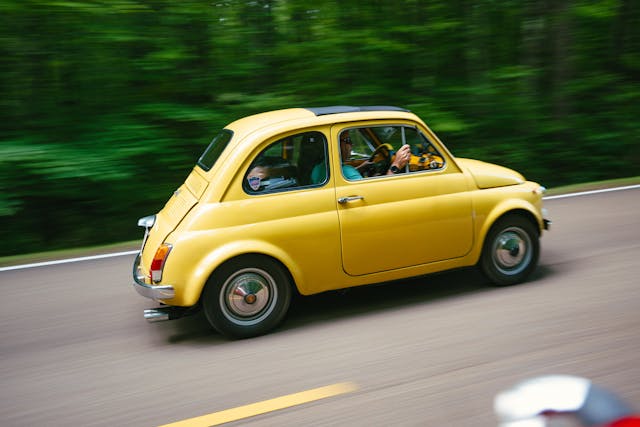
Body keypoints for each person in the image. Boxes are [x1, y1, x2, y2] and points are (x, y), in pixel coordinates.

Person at [339, 131, 411, 180]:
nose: (352, 144)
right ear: (337, 144)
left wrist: (361, 168)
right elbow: (373, 194)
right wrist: (396, 165)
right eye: (348, 140)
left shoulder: (341, 169)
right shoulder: (346, 171)